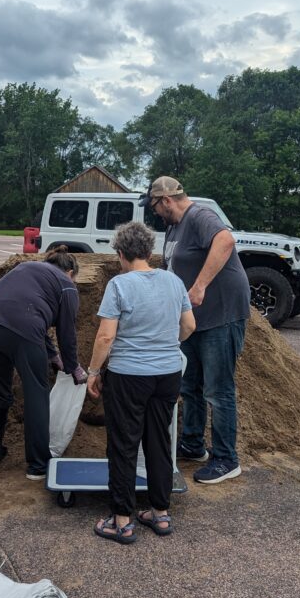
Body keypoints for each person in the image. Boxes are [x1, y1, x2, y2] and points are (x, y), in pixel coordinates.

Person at [87, 222, 195, 544]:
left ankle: (122, 521)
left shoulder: (119, 285)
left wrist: (93, 372)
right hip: (167, 374)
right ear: (149, 252)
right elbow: (189, 325)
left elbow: (106, 336)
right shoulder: (174, 282)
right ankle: (160, 514)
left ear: (121, 254)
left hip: (128, 376)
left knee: (123, 444)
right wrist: (166, 346)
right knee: (159, 441)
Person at [142, 176, 251, 484]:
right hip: (194, 319)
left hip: (221, 314)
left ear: (166, 200)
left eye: (154, 205)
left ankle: (226, 459)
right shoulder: (173, 228)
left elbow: (226, 241)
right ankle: (193, 444)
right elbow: (170, 268)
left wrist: (200, 285)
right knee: (190, 384)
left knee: (217, 388)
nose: (154, 212)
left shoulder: (199, 216)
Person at [0, 246, 86, 480]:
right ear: (70, 272)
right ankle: (38, 465)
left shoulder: (27, 268)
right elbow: (67, 334)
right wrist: (73, 366)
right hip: (22, 327)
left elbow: (30, 311)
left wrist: (53, 355)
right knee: (37, 391)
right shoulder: (67, 286)